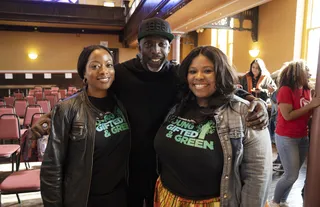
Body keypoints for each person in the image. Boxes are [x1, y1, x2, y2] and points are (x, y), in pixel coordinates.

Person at [33, 17, 269, 207]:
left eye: (161, 44)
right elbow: (90, 89)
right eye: (149, 44)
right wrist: (55, 112)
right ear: (140, 46)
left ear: (168, 46)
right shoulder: (121, 73)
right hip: (126, 165)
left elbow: (216, 86)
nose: (155, 51)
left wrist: (250, 99)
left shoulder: (178, 75)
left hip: (163, 162)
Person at [154, 46, 272, 207]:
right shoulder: (179, 106)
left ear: (221, 73)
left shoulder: (246, 113)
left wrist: (255, 100)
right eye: (193, 71)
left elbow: (258, 177)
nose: (199, 77)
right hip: (167, 198)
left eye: (208, 71)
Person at [40, 45, 130, 207]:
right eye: (95, 66)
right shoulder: (68, 109)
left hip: (120, 196)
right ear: (84, 74)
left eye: (109, 65)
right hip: (84, 198)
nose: (104, 71)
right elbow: (52, 166)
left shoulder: (122, 103)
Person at [270, 60, 320, 207]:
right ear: (298, 72)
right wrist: (311, 105)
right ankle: (274, 202)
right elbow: (288, 116)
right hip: (287, 137)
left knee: (293, 175)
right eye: (307, 70)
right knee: (290, 175)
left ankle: (283, 201)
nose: (310, 73)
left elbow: (308, 112)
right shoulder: (285, 90)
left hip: (302, 136)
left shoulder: (305, 90)